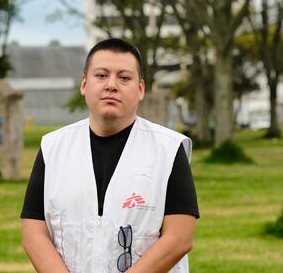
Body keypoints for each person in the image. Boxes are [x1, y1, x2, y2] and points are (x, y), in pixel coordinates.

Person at [21, 38, 199, 273]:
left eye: (124, 78)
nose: (111, 85)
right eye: (101, 75)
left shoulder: (168, 149)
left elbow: (179, 237)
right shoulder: (53, 147)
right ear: (84, 84)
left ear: (140, 89)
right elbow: (33, 231)